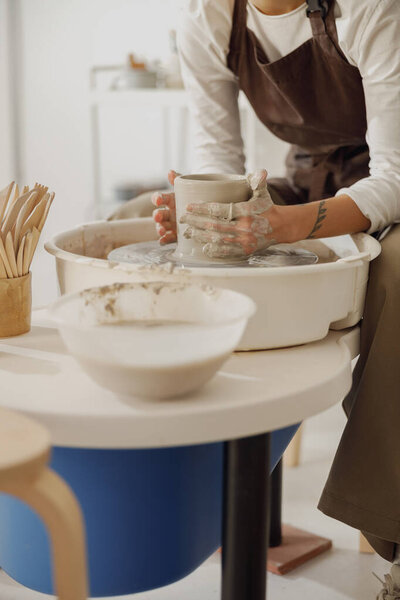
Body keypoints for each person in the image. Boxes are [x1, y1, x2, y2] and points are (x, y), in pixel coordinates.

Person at [121, 0, 400, 596]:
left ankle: (392, 531)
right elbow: (218, 160)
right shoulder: (209, 18)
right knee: (130, 222)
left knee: (396, 269)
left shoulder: (369, 9)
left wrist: (286, 225)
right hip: (307, 177)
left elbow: (396, 175)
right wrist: (198, 213)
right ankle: (148, 483)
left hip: (385, 182)